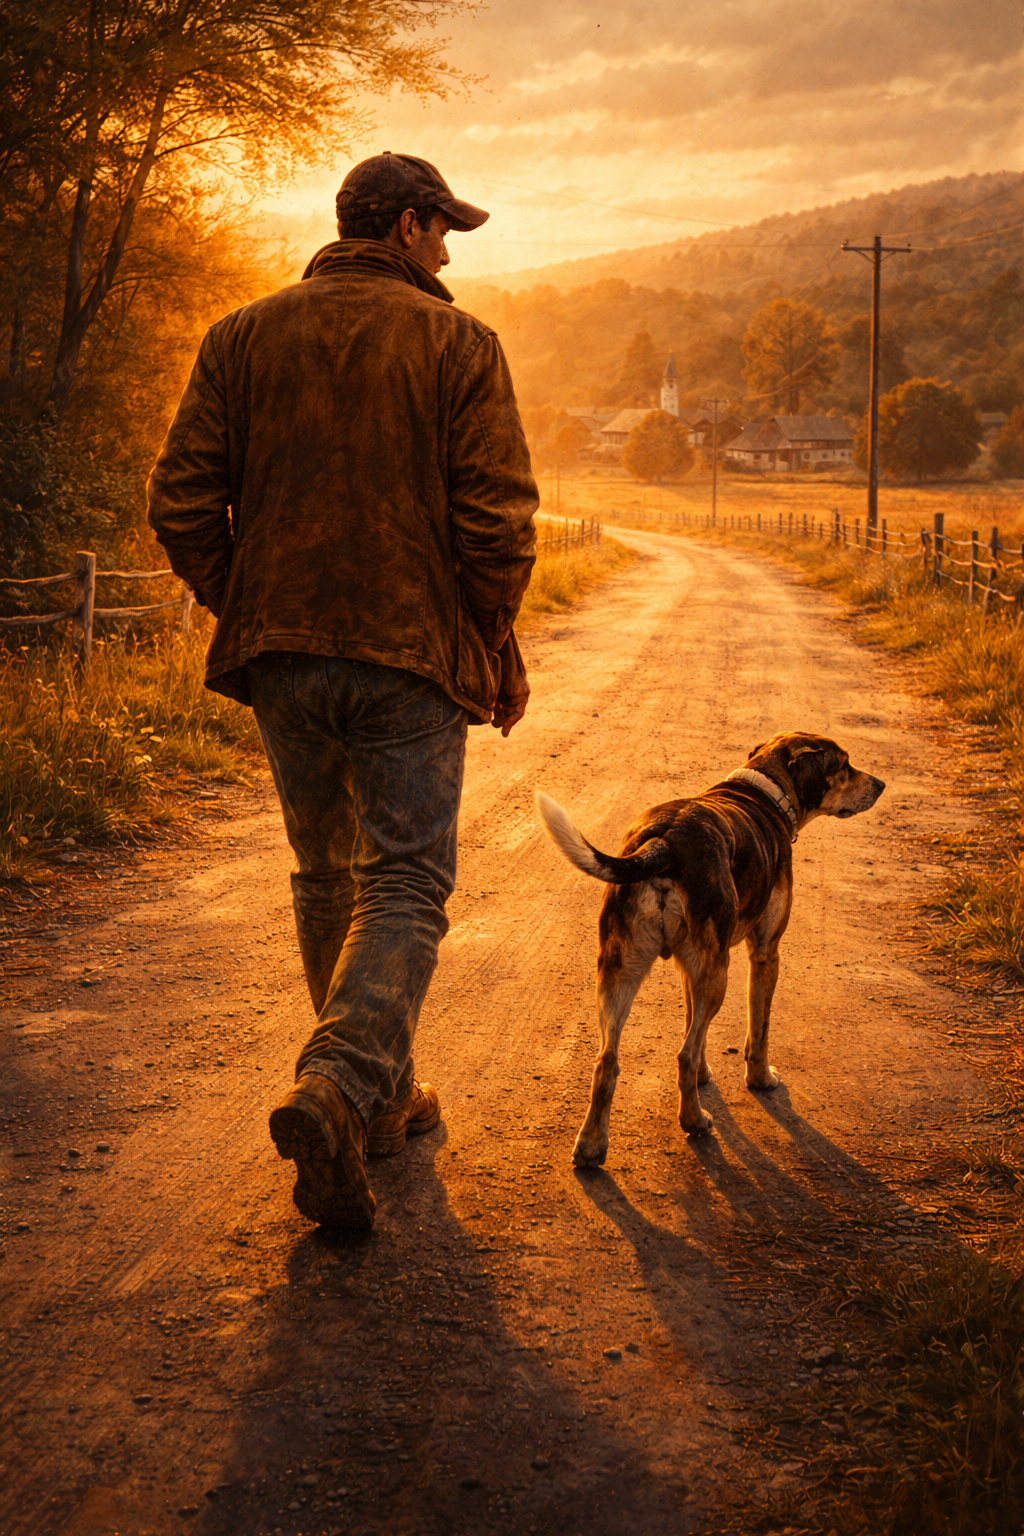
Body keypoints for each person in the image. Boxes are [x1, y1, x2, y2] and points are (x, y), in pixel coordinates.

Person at [147, 152, 538, 1233]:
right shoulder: (459, 345)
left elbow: (180, 501)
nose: (450, 251)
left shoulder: (239, 336)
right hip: (403, 656)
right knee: (407, 883)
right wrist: (491, 639)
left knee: (328, 875)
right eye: (443, 229)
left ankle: (379, 1106)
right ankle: (337, 1082)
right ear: (407, 226)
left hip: (282, 657)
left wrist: (254, 604)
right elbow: (497, 524)